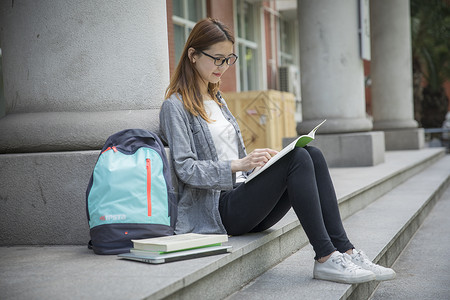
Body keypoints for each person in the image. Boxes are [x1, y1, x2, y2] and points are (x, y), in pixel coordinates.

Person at [159, 17, 395, 284]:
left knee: (311, 154)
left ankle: (346, 251)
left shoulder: (217, 99)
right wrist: (238, 165)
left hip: (242, 198)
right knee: (296, 159)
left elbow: (228, 152)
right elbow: (185, 168)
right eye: (217, 59)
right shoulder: (175, 106)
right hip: (218, 211)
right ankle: (326, 257)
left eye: (228, 59)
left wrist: (259, 162)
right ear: (192, 55)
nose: (223, 67)